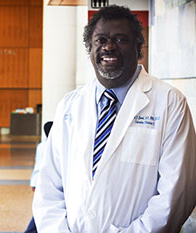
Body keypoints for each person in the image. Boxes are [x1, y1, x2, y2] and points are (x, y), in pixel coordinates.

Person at [32, 5, 196, 233]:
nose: (108, 47)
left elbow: (176, 194)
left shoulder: (170, 102)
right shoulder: (70, 104)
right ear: (90, 48)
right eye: (100, 40)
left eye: (120, 39)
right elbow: (48, 185)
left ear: (139, 48)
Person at [25, 121, 53, 233]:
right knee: (43, 209)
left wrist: (33, 181)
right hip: (46, 182)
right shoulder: (52, 146)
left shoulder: (41, 145)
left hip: (38, 181)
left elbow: (37, 165)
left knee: (42, 206)